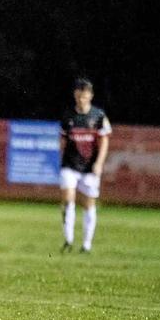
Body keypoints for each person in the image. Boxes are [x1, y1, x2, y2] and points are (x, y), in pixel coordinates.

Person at [60, 78, 112, 253]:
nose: (81, 99)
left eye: (85, 96)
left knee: (89, 204)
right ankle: (68, 240)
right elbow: (62, 141)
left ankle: (86, 244)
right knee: (68, 199)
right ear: (75, 95)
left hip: (90, 167)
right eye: (79, 96)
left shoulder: (98, 116)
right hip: (69, 165)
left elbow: (104, 142)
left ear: (90, 96)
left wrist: (99, 163)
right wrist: (62, 160)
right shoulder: (68, 116)